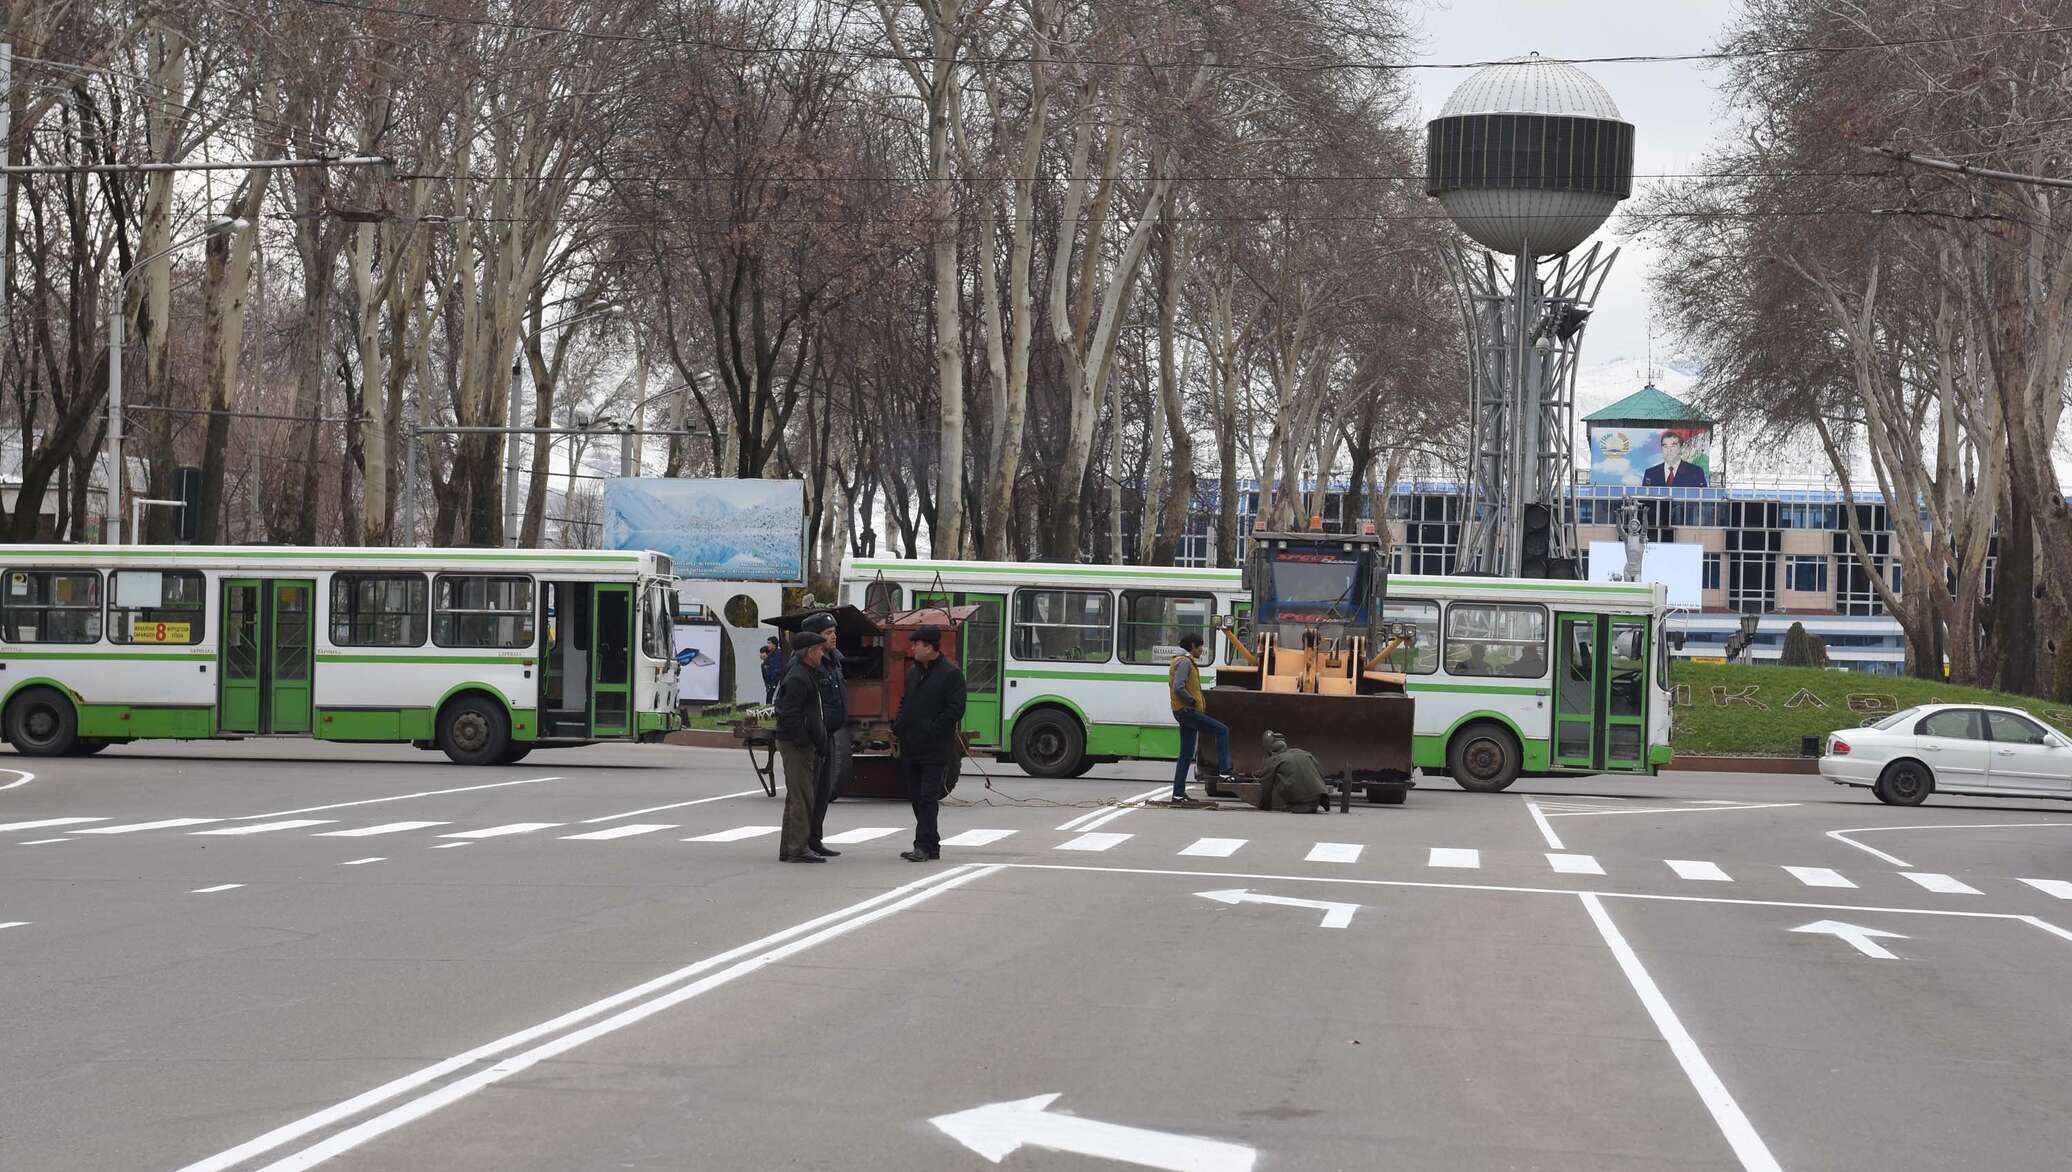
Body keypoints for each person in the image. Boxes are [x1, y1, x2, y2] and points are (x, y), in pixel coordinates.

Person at [892, 624, 965, 862]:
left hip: (935, 747)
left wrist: (933, 730)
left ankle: (922, 845)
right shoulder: (914, 672)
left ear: (931, 647)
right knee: (915, 796)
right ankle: (932, 844)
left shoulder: (951, 673)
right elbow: (906, 702)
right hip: (911, 744)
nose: (912, 648)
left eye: (917, 645)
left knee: (927, 796)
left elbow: (955, 710)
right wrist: (899, 724)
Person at [772, 631, 829, 863]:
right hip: (795, 744)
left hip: (798, 742)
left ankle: (789, 848)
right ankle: (798, 848)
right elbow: (790, 714)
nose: (822, 655)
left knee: (797, 796)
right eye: (819, 650)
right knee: (802, 797)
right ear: (810, 652)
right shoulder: (798, 677)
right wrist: (804, 740)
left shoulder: (807, 673)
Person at [800, 612, 849, 858]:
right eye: (828, 633)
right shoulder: (810, 664)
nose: (834, 637)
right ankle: (803, 841)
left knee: (823, 791)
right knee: (810, 791)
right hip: (814, 735)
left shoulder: (835, 659)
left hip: (830, 734)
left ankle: (815, 839)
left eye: (834, 632)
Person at [1169, 632, 1231, 801]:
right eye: (1200, 646)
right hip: (1187, 711)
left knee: (1186, 753)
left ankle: (1178, 794)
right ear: (1192, 646)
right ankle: (1225, 772)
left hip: (1183, 711)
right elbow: (1178, 687)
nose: (1202, 650)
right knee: (1222, 730)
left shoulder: (1182, 661)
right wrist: (1192, 701)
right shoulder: (1184, 663)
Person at [1255, 730, 1331, 813]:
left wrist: (1264, 807)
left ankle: (1296, 802)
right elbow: (1321, 774)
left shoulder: (1273, 760)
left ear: (1270, 749)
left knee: (1273, 776)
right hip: (1317, 798)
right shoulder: (1304, 753)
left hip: (1299, 800)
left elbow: (1266, 787)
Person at [1641, 430, 1708, 487]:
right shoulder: (1650, 473)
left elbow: (1704, 500)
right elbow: (1643, 501)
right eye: (1665, 446)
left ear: (1681, 448)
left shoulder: (1696, 472)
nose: (1669, 450)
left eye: (1673, 446)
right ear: (1661, 449)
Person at [759, 636, 784, 704]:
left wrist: (774, 679)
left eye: (769, 643)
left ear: (774, 644)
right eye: (768, 643)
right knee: (769, 700)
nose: (768, 645)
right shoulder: (770, 655)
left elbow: (777, 669)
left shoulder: (778, 653)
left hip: (776, 681)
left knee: (774, 699)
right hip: (770, 682)